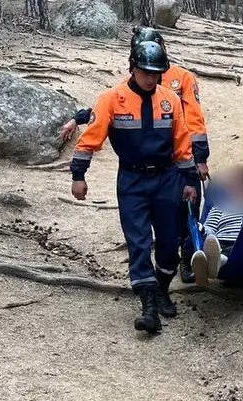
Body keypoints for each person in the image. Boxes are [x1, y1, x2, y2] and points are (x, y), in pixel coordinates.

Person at [61, 27, 210, 285]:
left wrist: (200, 158)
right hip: (138, 170)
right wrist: (78, 118)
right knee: (148, 231)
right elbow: (114, 104)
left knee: (186, 211)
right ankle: (154, 286)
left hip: (178, 157)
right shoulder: (137, 75)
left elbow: (193, 120)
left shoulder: (181, 79)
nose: (151, 77)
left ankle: (188, 257)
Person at [69, 41, 198, 335]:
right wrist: (79, 175)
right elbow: (91, 138)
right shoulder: (112, 99)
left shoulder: (170, 100)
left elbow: (182, 143)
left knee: (168, 244)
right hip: (132, 181)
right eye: (145, 72)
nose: (151, 78)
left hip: (167, 179)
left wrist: (189, 180)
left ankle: (162, 287)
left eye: (156, 73)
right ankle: (148, 306)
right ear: (132, 68)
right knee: (139, 242)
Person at [190, 166, 243, 286]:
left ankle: (208, 264)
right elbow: (210, 228)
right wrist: (201, 229)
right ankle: (206, 261)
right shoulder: (220, 207)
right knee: (210, 245)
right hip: (219, 243)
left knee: (238, 244)